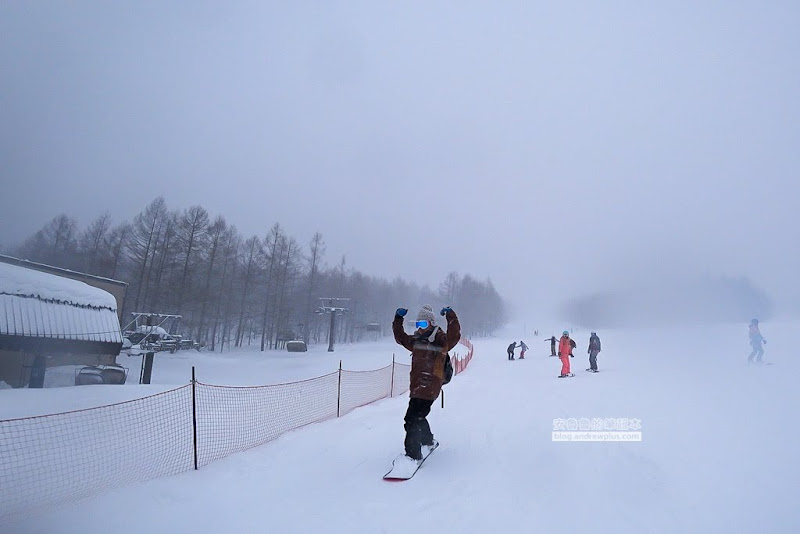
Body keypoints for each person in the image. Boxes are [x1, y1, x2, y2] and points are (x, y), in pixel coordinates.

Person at [393, 305, 461, 461]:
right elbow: (400, 338)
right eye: (418, 324)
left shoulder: (440, 340)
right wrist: (398, 318)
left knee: (411, 419)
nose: (420, 327)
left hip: (430, 386)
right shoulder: (416, 340)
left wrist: (450, 315)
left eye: (423, 324)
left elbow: (454, 337)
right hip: (417, 386)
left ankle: (413, 456)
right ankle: (428, 440)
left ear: (431, 323)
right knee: (418, 417)